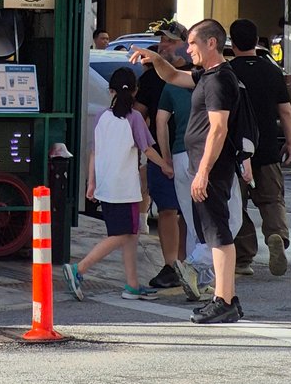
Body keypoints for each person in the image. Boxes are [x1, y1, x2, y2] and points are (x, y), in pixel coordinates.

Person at [131, 19, 243, 325]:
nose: (187, 48)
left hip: (212, 168)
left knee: (218, 234)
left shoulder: (219, 80)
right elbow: (173, 75)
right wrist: (155, 58)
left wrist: (203, 172)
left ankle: (224, 300)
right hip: (203, 165)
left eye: (193, 43)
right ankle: (226, 298)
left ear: (211, 43)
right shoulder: (207, 75)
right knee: (213, 233)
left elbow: (218, 130)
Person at [62, 67, 173, 302]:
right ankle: (79, 269)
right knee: (123, 235)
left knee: (130, 234)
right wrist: (165, 165)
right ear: (135, 91)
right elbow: (147, 149)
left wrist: (91, 183)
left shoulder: (102, 117)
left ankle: (132, 285)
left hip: (106, 185)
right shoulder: (135, 118)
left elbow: (94, 152)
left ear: (110, 90)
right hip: (125, 189)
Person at [229, 17, 291, 277]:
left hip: (236, 150)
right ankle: (276, 235)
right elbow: (285, 111)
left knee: (238, 205)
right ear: (257, 41)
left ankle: (244, 258)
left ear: (233, 44)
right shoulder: (272, 71)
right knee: (272, 200)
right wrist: (289, 141)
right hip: (267, 148)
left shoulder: (228, 72)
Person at [135, 20, 189, 289]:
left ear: (184, 45)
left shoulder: (195, 74)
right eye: (162, 40)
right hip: (161, 154)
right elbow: (138, 115)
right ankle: (171, 265)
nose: (163, 45)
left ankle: (187, 263)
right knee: (167, 209)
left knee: (190, 211)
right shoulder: (149, 78)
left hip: (192, 152)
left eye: (170, 40)